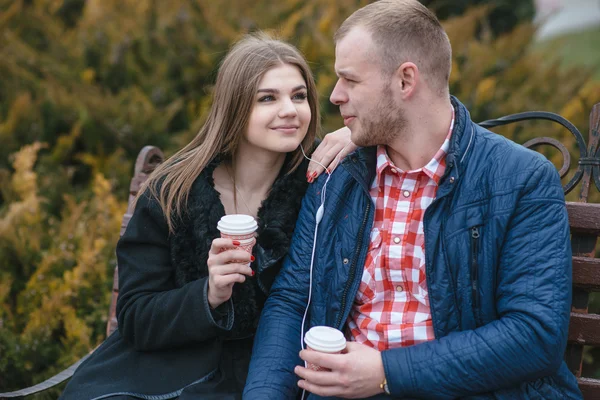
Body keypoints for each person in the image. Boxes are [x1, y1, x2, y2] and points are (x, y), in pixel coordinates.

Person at [243, 1, 583, 399]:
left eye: (350, 80)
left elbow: (533, 335)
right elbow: (291, 301)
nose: (335, 96)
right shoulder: (338, 174)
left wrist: (387, 373)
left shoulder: (520, 179)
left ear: (406, 81)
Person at [59, 33, 354, 400]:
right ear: (234, 108)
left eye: (298, 95)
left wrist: (360, 135)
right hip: (161, 371)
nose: (290, 110)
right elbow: (134, 317)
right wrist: (208, 293)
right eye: (267, 98)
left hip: (263, 374)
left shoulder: (320, 185)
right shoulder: (173, 191)